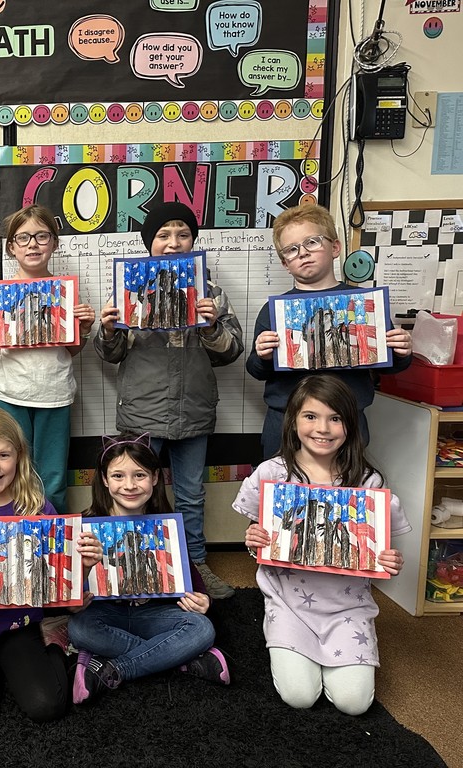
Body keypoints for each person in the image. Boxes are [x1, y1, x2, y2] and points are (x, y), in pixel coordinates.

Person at [234, 375, 410, 715]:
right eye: (311, 416)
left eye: (335, 418)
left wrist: (389, 559)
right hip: (289, 604)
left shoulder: (367, 482)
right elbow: (257, 535)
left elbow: (380, 551)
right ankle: (282, 634)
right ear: (293, 420)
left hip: (348, 608)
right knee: (299, 696)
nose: (323, 428)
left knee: (354, 703)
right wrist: (253, 538)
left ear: (351, 424)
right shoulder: (272, 473)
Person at [96, 201, 244, 599]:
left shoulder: (210, 290)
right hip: (142, 413)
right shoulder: (129, 286)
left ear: (194, 241)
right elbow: (109, 354)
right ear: (150, 244)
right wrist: (108, 329)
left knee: (192, 493)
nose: (174, 242)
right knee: (136, 489)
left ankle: (196, 566)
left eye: (183, 235)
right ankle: (137, 565)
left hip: (193, 410)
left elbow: (232, 352)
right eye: (163, 235)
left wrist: (212, 326)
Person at [0, 406, 101, 722]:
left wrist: (86, 565)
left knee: (47, 707)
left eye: (3, 455)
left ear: (19, 455)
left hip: (20, 623)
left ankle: (57, 646)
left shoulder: (38, 507)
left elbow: (65, 592)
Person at [68, 433, 230, 705]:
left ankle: (112, 668)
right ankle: (179, 659)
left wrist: (203, 600)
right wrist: (77, 592)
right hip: (106, 615)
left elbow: (191, 578)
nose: (129, 485)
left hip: (155, 614)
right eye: (118, 476)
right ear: (105, 480)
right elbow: (73, 593)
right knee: (79, 628)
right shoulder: (86, 526)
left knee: (202, 628)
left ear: (155, 478)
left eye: (139, 475)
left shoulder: (166, 525)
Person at [246, 203, 413, 459]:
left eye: (312, 242)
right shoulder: (272, 311)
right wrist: (263, 355)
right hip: (285, 424)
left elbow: (387, 366)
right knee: (279, 492)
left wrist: (402, 351)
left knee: (342, 494)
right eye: (291, 249)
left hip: (346, 423)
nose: (302, 253)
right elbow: (256, 370)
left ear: (335, 248)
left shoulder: (364, 304)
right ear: (284, 263)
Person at [0, 205, 96, 515]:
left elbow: (71, 350)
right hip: (11, 393)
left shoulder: (66, 293)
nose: (33, 244)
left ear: (54, 243)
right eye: (23, 238)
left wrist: (85, 330)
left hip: (55, 394)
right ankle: (13, 539)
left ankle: (53, 545)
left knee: (51, 479)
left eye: (41, 236)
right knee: (11, 471)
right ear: (11, 247)